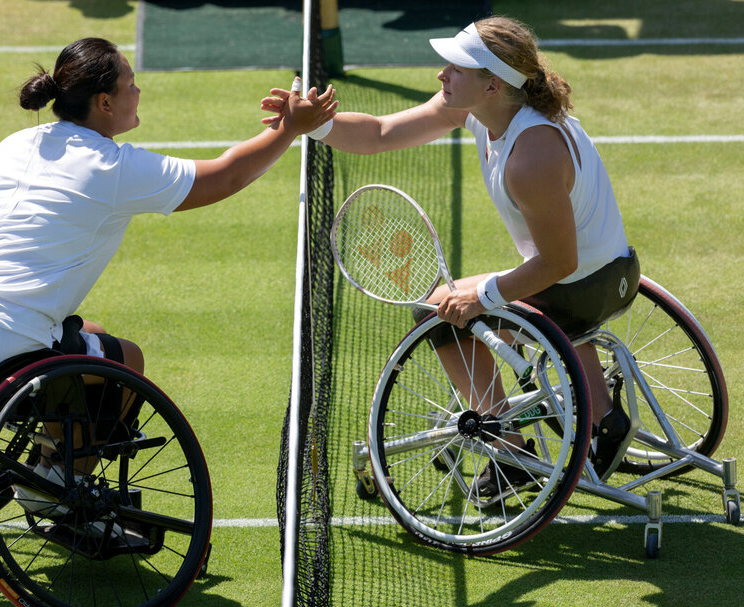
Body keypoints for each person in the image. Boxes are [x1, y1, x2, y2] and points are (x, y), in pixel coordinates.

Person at [0, 37, 336, 507]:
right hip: (3, 347)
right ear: (104, 102)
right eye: (131, 84)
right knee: (126, 359)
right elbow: (226, 176)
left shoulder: (14, 144)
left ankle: (49, 461)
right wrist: (289, 130)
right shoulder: (113, 167)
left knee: (91, 334)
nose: (138, 92)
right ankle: (56, 487)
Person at [263, 17, 638, 491]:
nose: (442, 74)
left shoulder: (531, 157)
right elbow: (380, 132)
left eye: (456, 68)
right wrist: (315, 125)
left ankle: (509, 452)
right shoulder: (494, 111)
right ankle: (602, 417)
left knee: (436, 313)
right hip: (616, 272)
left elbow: (558, 263)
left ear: (492, 85)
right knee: (474, 299)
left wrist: (480, 298)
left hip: (579, 288)